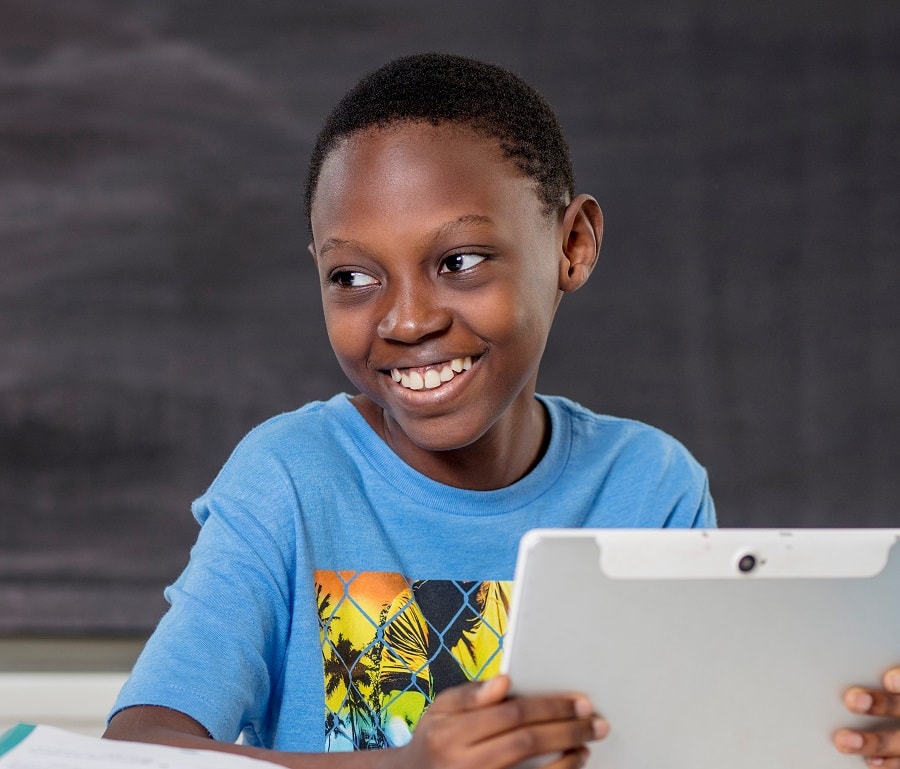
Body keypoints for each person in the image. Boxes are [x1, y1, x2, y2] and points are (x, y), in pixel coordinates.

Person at [103, 53, 899, 768]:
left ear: (572, 245)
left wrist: (853, 742)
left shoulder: (648, 486)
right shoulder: (290, 477)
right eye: (353, 276)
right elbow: (135, 751)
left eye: (460, 261)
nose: (406, 319)